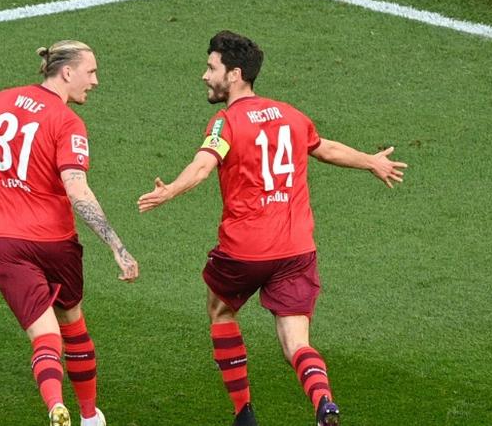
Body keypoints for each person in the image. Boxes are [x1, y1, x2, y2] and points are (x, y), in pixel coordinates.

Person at [138, 31, 407, 426]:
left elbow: (202, 165)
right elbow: (325, 148)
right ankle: (324, 402)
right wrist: (371, 161)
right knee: (296, 342)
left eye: (211, 68)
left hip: (245, 249)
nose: (204, 76)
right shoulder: (290, 114)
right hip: (296, 249)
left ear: (235, 75)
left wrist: (170, 191)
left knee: (220, 310)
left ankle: (244, 413)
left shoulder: (226, 120)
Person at [0, 40, 139, 426]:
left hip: (4, 243)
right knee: (72, 322)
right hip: (55, 243)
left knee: (43, 335)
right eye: (92, 72)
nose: (95, 81)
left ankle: (54, 406)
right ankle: (89, 416)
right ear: (67, 72)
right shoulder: (67, 122)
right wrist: (117, 246)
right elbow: (77, 189)